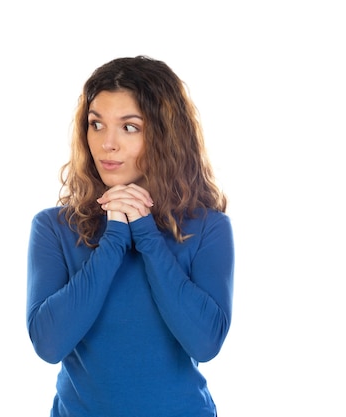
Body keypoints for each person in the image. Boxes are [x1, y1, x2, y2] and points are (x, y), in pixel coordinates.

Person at [25, 55, 234, 417]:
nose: (108, 144)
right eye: (96, 124)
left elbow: (205, 343)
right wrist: (114, 237)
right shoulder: (54, 227)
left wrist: (147, 236)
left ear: (165, 135)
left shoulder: (208, 227)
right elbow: (49, 344)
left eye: (129, 127)